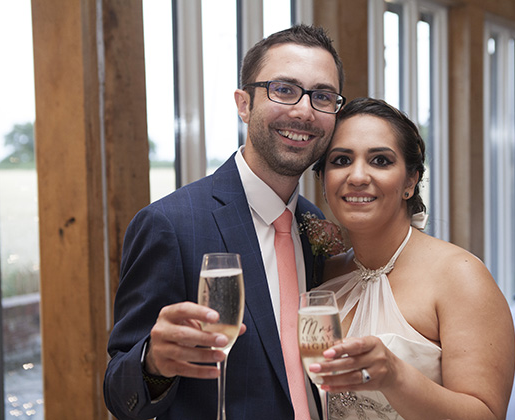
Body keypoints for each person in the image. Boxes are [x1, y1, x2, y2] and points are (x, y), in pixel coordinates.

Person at [103, 25, 345, 420]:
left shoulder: (313, 223)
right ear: (244, 104)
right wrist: (153, 364)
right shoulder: (169, 224)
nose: (304, 110)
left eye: (322, 96)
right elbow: (119, 393)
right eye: (284, 89)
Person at [308, 98, 515, 420]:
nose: (358, 176)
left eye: (380, 160)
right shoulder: (323, 276)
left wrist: (395, 376)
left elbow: (487, 414)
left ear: (410, 180)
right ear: (323, 180)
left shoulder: (460, 277)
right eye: (341, 160)